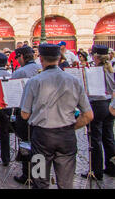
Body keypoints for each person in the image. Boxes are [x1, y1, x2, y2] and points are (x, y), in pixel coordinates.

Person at [20, 43, 94, 189]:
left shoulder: (34, 82)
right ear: (59, 58)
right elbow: (88, 115)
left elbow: (24, 114)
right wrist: (71, 127)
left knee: (39, 181)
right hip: (66, 136)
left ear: (40, 59)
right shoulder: (74, 81)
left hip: (41, 138)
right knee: (66, 183)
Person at [81, 45, 115, 179]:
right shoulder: (111, 70)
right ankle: (112, 167)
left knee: (95, 138)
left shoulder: (94, 70)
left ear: (95, 56)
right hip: (109, 104)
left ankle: (96, 171)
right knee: (109, 137)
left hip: (97, 104)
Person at [10, 46, 42, 185]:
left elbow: (11, 91)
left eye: (17, 58)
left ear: (22, 57)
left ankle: (26, 174)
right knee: (40, 145)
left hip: (25, 111)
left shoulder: (20, 71)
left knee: (26, 143)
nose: (17, 61)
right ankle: (39, 176)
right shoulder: (41, 69)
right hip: (41, 113)